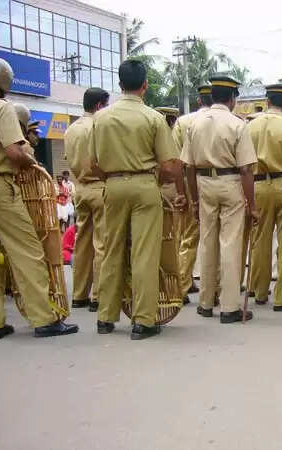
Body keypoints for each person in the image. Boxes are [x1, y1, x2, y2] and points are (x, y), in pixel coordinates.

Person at [89, 59, 185, 340]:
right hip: (145, 185)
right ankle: (143, 321)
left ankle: (105, 317)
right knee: (144, 253)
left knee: (111, 250)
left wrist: (112, 178)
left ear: (120, 85)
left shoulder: (101, 118)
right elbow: (169, 165)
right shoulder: (153, 118)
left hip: (113, 185)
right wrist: (156, 181)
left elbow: (93, 164)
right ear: (145, 85)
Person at [0, 56, 78, 339]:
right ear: (4, 81)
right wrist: (31, 162)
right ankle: (43, 319)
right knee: (27, 252)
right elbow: (14, 152)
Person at [181, 75, 258, 323]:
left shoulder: (194, 124)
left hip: (203, 183)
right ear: (232, 98)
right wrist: (252, 205)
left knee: (207, 243)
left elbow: (188, 167)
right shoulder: (237, 124)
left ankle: (205, 302)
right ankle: (229, 307)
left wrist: (194, 199)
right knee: (230, 244)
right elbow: (246, 169)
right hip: (230, 181)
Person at [247, 83, 282, 311]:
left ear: (267, 101)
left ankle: (260, 292)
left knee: (260, 240)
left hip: (258, 185)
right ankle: (281, 298)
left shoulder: (250, 126)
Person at [64, 87, 109, 312]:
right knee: (102, 243)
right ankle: (98, 296)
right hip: (99, 186)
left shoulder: (71, 129)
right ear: (99, 105)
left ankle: (79, 294)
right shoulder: (99, 126)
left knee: (81, 242)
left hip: (80, 188)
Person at [172, 85, 212, 300]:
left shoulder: (184, 122)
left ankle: (183, 282)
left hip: (190, 181)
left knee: (188, 235)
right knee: (216, 237)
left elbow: (177, 162)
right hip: (219, 181)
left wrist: (181, 192)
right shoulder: (226, 120)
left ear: (198, 101)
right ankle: (209, 286)